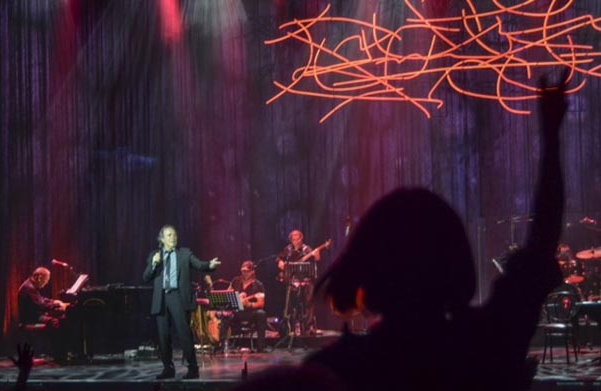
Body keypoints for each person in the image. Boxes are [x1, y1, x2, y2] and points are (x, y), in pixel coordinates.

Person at [296, 74, 569, 391]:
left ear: (367, 266)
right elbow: (541, 243)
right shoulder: (486, 343)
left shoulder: (334, 370)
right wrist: (551, 135)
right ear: (456, 261)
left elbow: (540, 247)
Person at [143, 225, 221, 380]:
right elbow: (146, 277)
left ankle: (193, 368)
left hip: (177, 296)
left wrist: (209, 265)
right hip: (161, 298)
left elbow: (200, 265)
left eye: (174, 235)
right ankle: (168, 368)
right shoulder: (155, 255)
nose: (173, 237)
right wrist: (153, 264)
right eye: (169, 235)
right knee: (163, 336)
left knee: (184, 334)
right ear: (162, 239)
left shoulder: (184, 253)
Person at [276, 230, 321, 335]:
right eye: (293, 239)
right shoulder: (288, 249)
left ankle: (309, 328)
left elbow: (317, 260)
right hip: (292, 281)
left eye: (298, 239)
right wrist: (280, 262)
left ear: (302, 238)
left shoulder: (307, 249)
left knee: (308, 303)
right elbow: (279, 258)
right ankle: (290, 327)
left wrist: (317, 254)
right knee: (290, 304)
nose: (296, 241)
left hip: (306, 280)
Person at [218, 260, 267, 353]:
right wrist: (236, 298)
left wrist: (250, 304)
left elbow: (261, 303)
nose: (244, 273)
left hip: (250, 313)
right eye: (243, 271)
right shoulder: (235, 281)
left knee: (261, 314)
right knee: (225, 314)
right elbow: (227, 295)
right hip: (237, 312)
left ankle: (261, 346)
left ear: (252, 271)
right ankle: (222, 345)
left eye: (247, 271)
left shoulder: (258, 285)